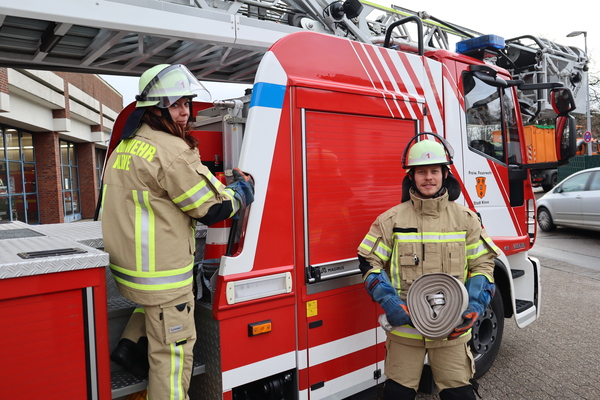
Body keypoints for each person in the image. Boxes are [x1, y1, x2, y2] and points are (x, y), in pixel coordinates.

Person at [101, 64, 254, 400]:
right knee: (171, 360)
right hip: (163, 278)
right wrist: (242, 192)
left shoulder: (127, 145)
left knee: (154, 308)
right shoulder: (171, 150)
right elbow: (211, 209)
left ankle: (129, 344)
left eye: (186, 103)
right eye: (175, 105)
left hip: (133, 271)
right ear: (155, 109)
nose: (185, 112)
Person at [357, 133, 499, 400]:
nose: (429, 178)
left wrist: (475, 305)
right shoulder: (391, 220)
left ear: (445, 174)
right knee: (397, 395)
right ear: (411, 176)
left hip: (452, 330)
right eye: (421, 172)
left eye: (434, 171)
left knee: (459, 395)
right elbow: (369, 262)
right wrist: (389, 301)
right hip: (405, 332)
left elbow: (483, 265)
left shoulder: (466, 220)